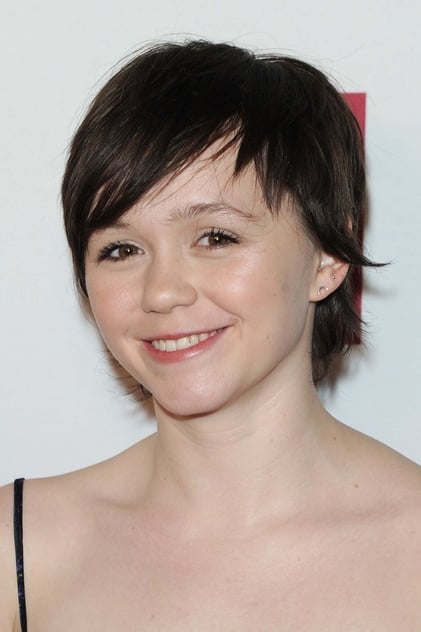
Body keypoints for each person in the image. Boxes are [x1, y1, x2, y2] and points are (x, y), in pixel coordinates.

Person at [1, 40, 420, 631]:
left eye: (216, 238)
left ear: (328, 256)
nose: (161, 292)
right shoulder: (19, 552)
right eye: (121, 249)